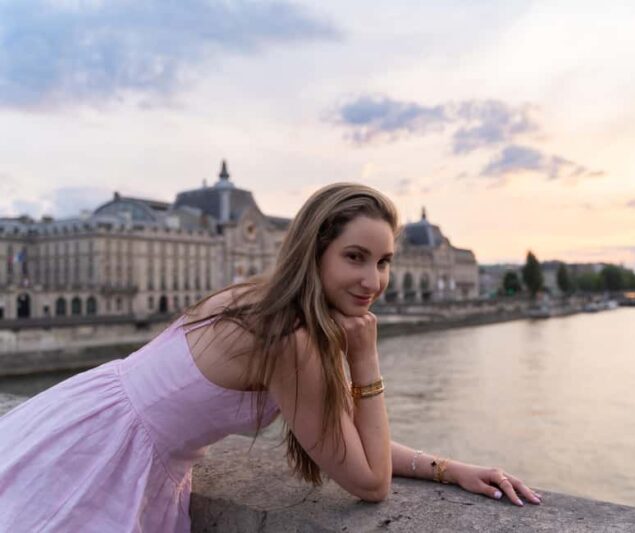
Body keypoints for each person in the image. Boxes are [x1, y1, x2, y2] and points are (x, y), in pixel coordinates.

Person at [0, 183, 541, 532]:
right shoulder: (288, 338)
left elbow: (339, 431)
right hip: (105, 462)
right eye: (355, 257)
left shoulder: (252, 297)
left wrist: (449, 468)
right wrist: (366, 362)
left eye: (383, 261)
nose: (373, 280)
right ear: (313, 252)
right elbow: (369, 482)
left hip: (77, 422)